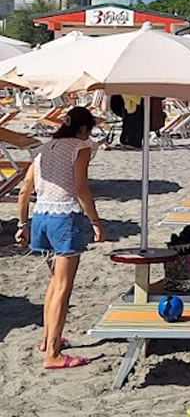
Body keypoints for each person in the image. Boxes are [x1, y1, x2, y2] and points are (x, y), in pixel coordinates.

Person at [15, 106, 104, 370]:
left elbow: (24, 190)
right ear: (85, 129)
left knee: (54, 283)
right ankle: (53, 354)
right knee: (64, 287)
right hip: (64, 218)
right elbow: (80, 187)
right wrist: (95, 220)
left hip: (41, 216)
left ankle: (48, 339)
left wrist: (22, 223)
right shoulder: (81, 147)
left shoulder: (42, 149)